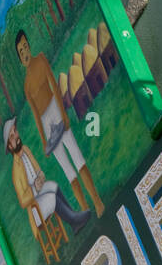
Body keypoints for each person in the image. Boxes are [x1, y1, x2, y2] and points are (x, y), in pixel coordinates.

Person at [15, 28, 104, 217]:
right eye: (21, 52)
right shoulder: (26, 85)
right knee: (68, 170)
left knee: (77, 158)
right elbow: (36, 115)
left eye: (25, 47)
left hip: (56, 109)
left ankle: (97, 202)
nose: (25, 53)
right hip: (46, 124)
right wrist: (43, 140)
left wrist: (63, 113)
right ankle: (84, 208)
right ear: (19, 59)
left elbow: (54, 86)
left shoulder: (40, 60)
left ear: (29, 46)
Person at [4, 119, 92, 234]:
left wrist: (40, 176)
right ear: (10, 147)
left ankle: (73, 219)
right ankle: (74, 220)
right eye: (12, 136)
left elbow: (38, 169)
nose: (16, 135)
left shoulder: (25, 150)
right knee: (52, 197)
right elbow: (23, 202)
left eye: (15, 131)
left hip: (40, 192)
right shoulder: (15, 171)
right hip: (35, 208)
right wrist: (34, 188)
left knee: (53, 186)